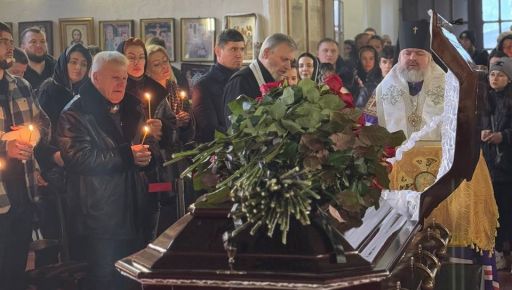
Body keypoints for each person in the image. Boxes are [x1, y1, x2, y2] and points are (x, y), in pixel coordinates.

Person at [374, 19, 500, 290]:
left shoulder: (452, 85)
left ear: (431, 57)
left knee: (455, 231)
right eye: (407, 53)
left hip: (448, 172)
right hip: (401, 178)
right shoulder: (383, 91)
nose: (412, 58)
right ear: (399, 56)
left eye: (419, 53)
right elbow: (372, 133)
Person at [57, 51, 155, 290]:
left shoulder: (131, 106)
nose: (121, 84)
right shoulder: (75, 112)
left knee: (134, 277)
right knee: (104, 279)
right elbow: (77, 158)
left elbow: (146, 145)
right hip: (100, 214)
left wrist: (147, 157)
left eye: (124, 78)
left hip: (134, 208)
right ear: (96, 78)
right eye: (115, 78)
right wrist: (127, 156)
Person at [0, 21, 50, 290]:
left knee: (15, 270)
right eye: (4, 41)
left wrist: (33, 135)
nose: (11, 47)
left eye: (11, 41)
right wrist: (2, 148)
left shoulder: (20, 85)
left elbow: (43, 123)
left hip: (22, 191)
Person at [116, 37, 178, 243]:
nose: (137, 62)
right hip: (125, 171)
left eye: (141, 57)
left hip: (154, 170)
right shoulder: (117, 89)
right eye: (131, 57)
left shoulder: (158, 90)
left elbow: (171, 127)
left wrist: (163, 128)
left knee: (153, 229)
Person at [35, 44, 92, 260]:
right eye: (73, 62)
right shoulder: (50, 90)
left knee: (77, 235)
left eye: (84, 64)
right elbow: (40, 133)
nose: (78, 68)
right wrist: (53, 155)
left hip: (78, 170)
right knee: (56, 234)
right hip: (56, 171)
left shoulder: (85, 92)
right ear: (63, 63)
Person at [481, 57, 512, 271]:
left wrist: (505, 136)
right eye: (492, 74)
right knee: (497, 209)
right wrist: (481, 132)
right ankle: (499, 250)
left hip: (509, 164)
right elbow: (477, 122)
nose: (495, 78)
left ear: (508, 79)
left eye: (500, 75)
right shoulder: (485, 99)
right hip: (491, 165)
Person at [192, 29, 245, 143]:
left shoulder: (243, 80)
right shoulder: (203, 86)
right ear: (218, 51)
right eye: (233, 49)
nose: (239, 54)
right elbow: (210, 129)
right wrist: (241, 138)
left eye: (242, 49)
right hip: (221, 150)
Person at [223, 33, 297, 105]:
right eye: (284, 59)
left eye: (290, 61)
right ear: (266, 53)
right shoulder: (240, 82)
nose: (288, 67)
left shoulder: (279, 82)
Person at [20, 27, 56, 92]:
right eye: (33, 42)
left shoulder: (57, 67)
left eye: (42, 41)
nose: (39, 45)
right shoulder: (17, 70)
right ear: (23, 47)